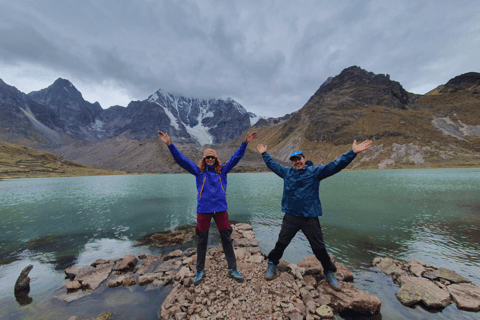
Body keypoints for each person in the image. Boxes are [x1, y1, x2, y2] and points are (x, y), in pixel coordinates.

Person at [256, 140, 372, 291]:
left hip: (309, 217)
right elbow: (272, 165)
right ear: (292, 162)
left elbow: (335, 165)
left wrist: (353, 152)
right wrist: (264, 154)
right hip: (291, 216)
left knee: (319, 248)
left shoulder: (315, 172)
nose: (297, 162)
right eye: (294, 160)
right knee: (281, 243)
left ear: (304, 160)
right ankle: (272, 264)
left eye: (299, 159)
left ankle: (330, 272)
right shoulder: (287, 173)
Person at [158, 130, 257, 286]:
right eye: (207, 157)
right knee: (202, 239)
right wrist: (170, 145)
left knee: (226, 238)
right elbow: (182, 160)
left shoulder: (223, 171)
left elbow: (236, 157)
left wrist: (245, 143)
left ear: (216, 159)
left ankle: (232, 269)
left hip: (221, 209)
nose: (210, 159)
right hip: (203, 210)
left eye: (212, 157)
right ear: (204, 159)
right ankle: (200, 270)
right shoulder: (199, 172)